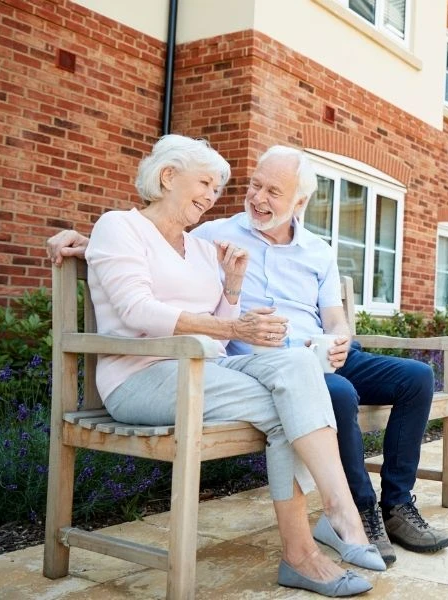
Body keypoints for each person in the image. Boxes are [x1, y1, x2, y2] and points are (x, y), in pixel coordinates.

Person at [48, 146, 448, 566]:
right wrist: (90, 242)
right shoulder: (214, 233)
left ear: (299, 202)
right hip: (249, 362)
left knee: (416, 377)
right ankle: (356, 512)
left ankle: (396, 506)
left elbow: (332, 313)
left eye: (273, 191)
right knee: (333, 394)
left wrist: (340, 338)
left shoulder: (313, 249)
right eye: (254, 185)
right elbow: (148, 247)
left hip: (315, 353)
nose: (258, 198)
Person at [81, 134, 380, 597]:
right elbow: (135, 310)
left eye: (218, 189)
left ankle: (334, 518)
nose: (212, 197)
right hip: (140, 377)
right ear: (167, 177)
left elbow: (218, 331)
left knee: (299, 367)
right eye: (204, 183)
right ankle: (318, 539)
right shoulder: (120, 227)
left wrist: (233, 291)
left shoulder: (201, 248)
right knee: (291, 405)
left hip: (205, 371)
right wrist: (235, 329)